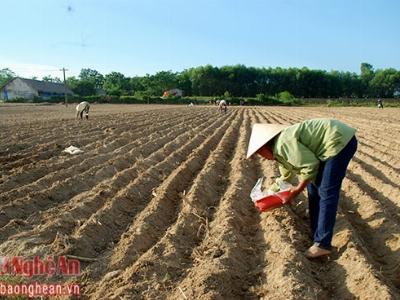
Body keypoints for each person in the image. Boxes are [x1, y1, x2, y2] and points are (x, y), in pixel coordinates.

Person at [247, 119, 357, 258]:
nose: (262, 157)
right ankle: (316, 232)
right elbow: (285, 177)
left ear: (264, 148)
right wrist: (268, 195)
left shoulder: (283, 144)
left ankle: (322, 244)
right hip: (329, 143)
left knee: (326, 191)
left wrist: (296, 191)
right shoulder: (279, 153)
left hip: (338, 140)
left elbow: (310, 166)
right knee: (312, 190)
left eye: (259, 154)